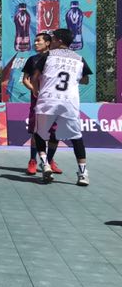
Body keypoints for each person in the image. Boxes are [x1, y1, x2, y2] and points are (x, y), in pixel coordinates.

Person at [30, 28, 92, 186]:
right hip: (69, 102)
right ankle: (83, 173)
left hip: (48, 100)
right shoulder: (79, 58)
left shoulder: (47, 55)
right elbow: (85, 80)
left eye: (53, 38)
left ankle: (45, 164)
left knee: (39, 133)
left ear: (59, 41)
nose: (51, 41)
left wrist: (36, 90)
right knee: (76, 137)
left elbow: (35, 77)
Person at [22, 32, 59, 175]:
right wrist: (34, 90)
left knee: (55, 133)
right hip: (37, 101)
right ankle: (32, 160)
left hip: (55, 100)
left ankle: (49, 161)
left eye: (39, 41)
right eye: (35, 41)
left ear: (48, 43)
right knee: (35, 131)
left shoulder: (56, 59)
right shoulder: (32, 60)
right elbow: (25, 79)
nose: (36, 43)